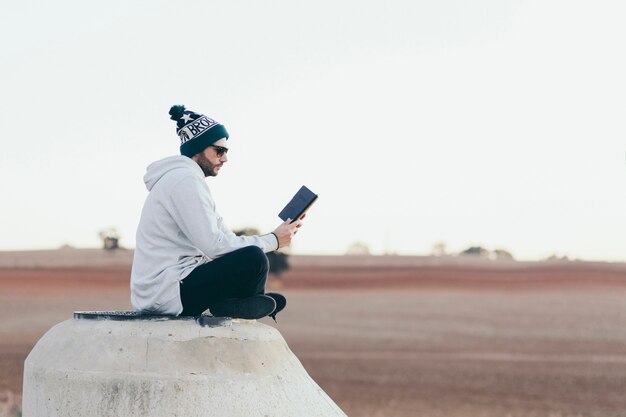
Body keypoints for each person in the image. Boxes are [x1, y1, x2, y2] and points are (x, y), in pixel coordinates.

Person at [130, 104, 301, 320]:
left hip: (169, 288)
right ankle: (242, 302)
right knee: (254, 259)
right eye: (219, 150)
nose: (225, 158)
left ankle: (240, 302)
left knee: (250, 258)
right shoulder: (185, 181)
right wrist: (273, 241)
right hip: (168, 293)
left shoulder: (187, 180)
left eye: (226, 151)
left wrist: (274, 237)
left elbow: (225, 240)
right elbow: (215, 246)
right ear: (198, 149)